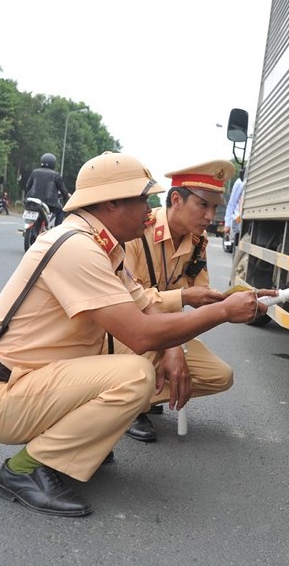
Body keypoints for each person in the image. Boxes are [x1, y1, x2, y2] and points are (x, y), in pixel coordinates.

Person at [0, 151, 276, 517]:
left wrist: (235, 301)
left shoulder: (103, 248)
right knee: (135, 375)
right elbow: (142, 333)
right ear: (112, 203)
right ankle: (25, 470)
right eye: (143, 199)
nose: (149, 209)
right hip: (2, 396)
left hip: (36, 380)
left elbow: (148, 307)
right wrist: (222, 312)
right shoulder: (77, 247)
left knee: (145, 365)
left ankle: (81, 440)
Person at [119, 160, 235, 442]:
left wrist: (236, 301)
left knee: (221, 376)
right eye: (203, 205)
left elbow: (201, 294)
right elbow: (124, 297)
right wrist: (182, 298)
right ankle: (128, 406)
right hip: (126, 332)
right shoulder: (137, 231)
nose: (210, 216)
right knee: (148, 355)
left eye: (215, 208)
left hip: (165, 332)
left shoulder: (198, 241)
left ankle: (145, 396)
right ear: (175, 200)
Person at [24, 152, 70, 225]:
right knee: (60, 211)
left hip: (31, 202)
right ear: (53, 163)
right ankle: (57, 230)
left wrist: (26, 198)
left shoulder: (34, 172)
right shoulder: (56, 175)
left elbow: (27, 186)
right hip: (50, 204)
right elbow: (64, 191)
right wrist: (66, 199)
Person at [223, 169, 244, 252]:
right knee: (236, 247)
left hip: (245, 219)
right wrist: (227, 223)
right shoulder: (240, 182)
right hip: (237, 219)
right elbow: (231, 203)